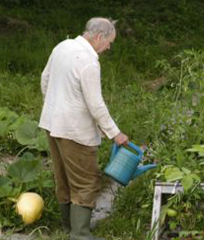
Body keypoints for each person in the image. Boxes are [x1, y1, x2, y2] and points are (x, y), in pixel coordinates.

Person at [39, 17, 129, 240]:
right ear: (99, 37)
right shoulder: (88, 61)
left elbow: (45, 79)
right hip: (75, 131)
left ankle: (68, 228)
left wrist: (54, 106)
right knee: (86, 181)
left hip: (52, 123)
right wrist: (115, 133)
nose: (109, 47)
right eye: (109, 42)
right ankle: (80, 234)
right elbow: (95, 103)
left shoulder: (63, 46)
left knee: (63, 178)